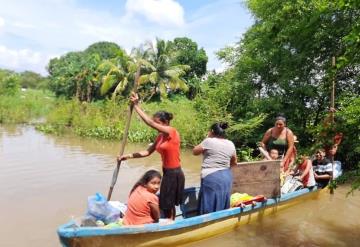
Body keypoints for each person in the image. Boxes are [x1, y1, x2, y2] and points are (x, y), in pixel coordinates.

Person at [118, 92, 185, 220]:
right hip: (167, 172)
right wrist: (127, 156)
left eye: (158, 123)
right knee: (166, 200)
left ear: (165, 123)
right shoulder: (160, 136)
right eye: (155, 123)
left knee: (168, 203)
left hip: (175, 173)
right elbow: (147, 152)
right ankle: (170, 220)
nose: (156, 126)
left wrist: (136, 105)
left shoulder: (172, 131)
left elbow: (149, 122)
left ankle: (171, 222)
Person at [193, 122, 237, 214]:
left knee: (208, 206)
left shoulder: (209, 141)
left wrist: (207, 137)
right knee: (222, 203)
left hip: (212, 177)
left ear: (212, 131)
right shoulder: (230, 143)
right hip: (226, 176)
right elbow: (234, 162)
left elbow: (195, 152)